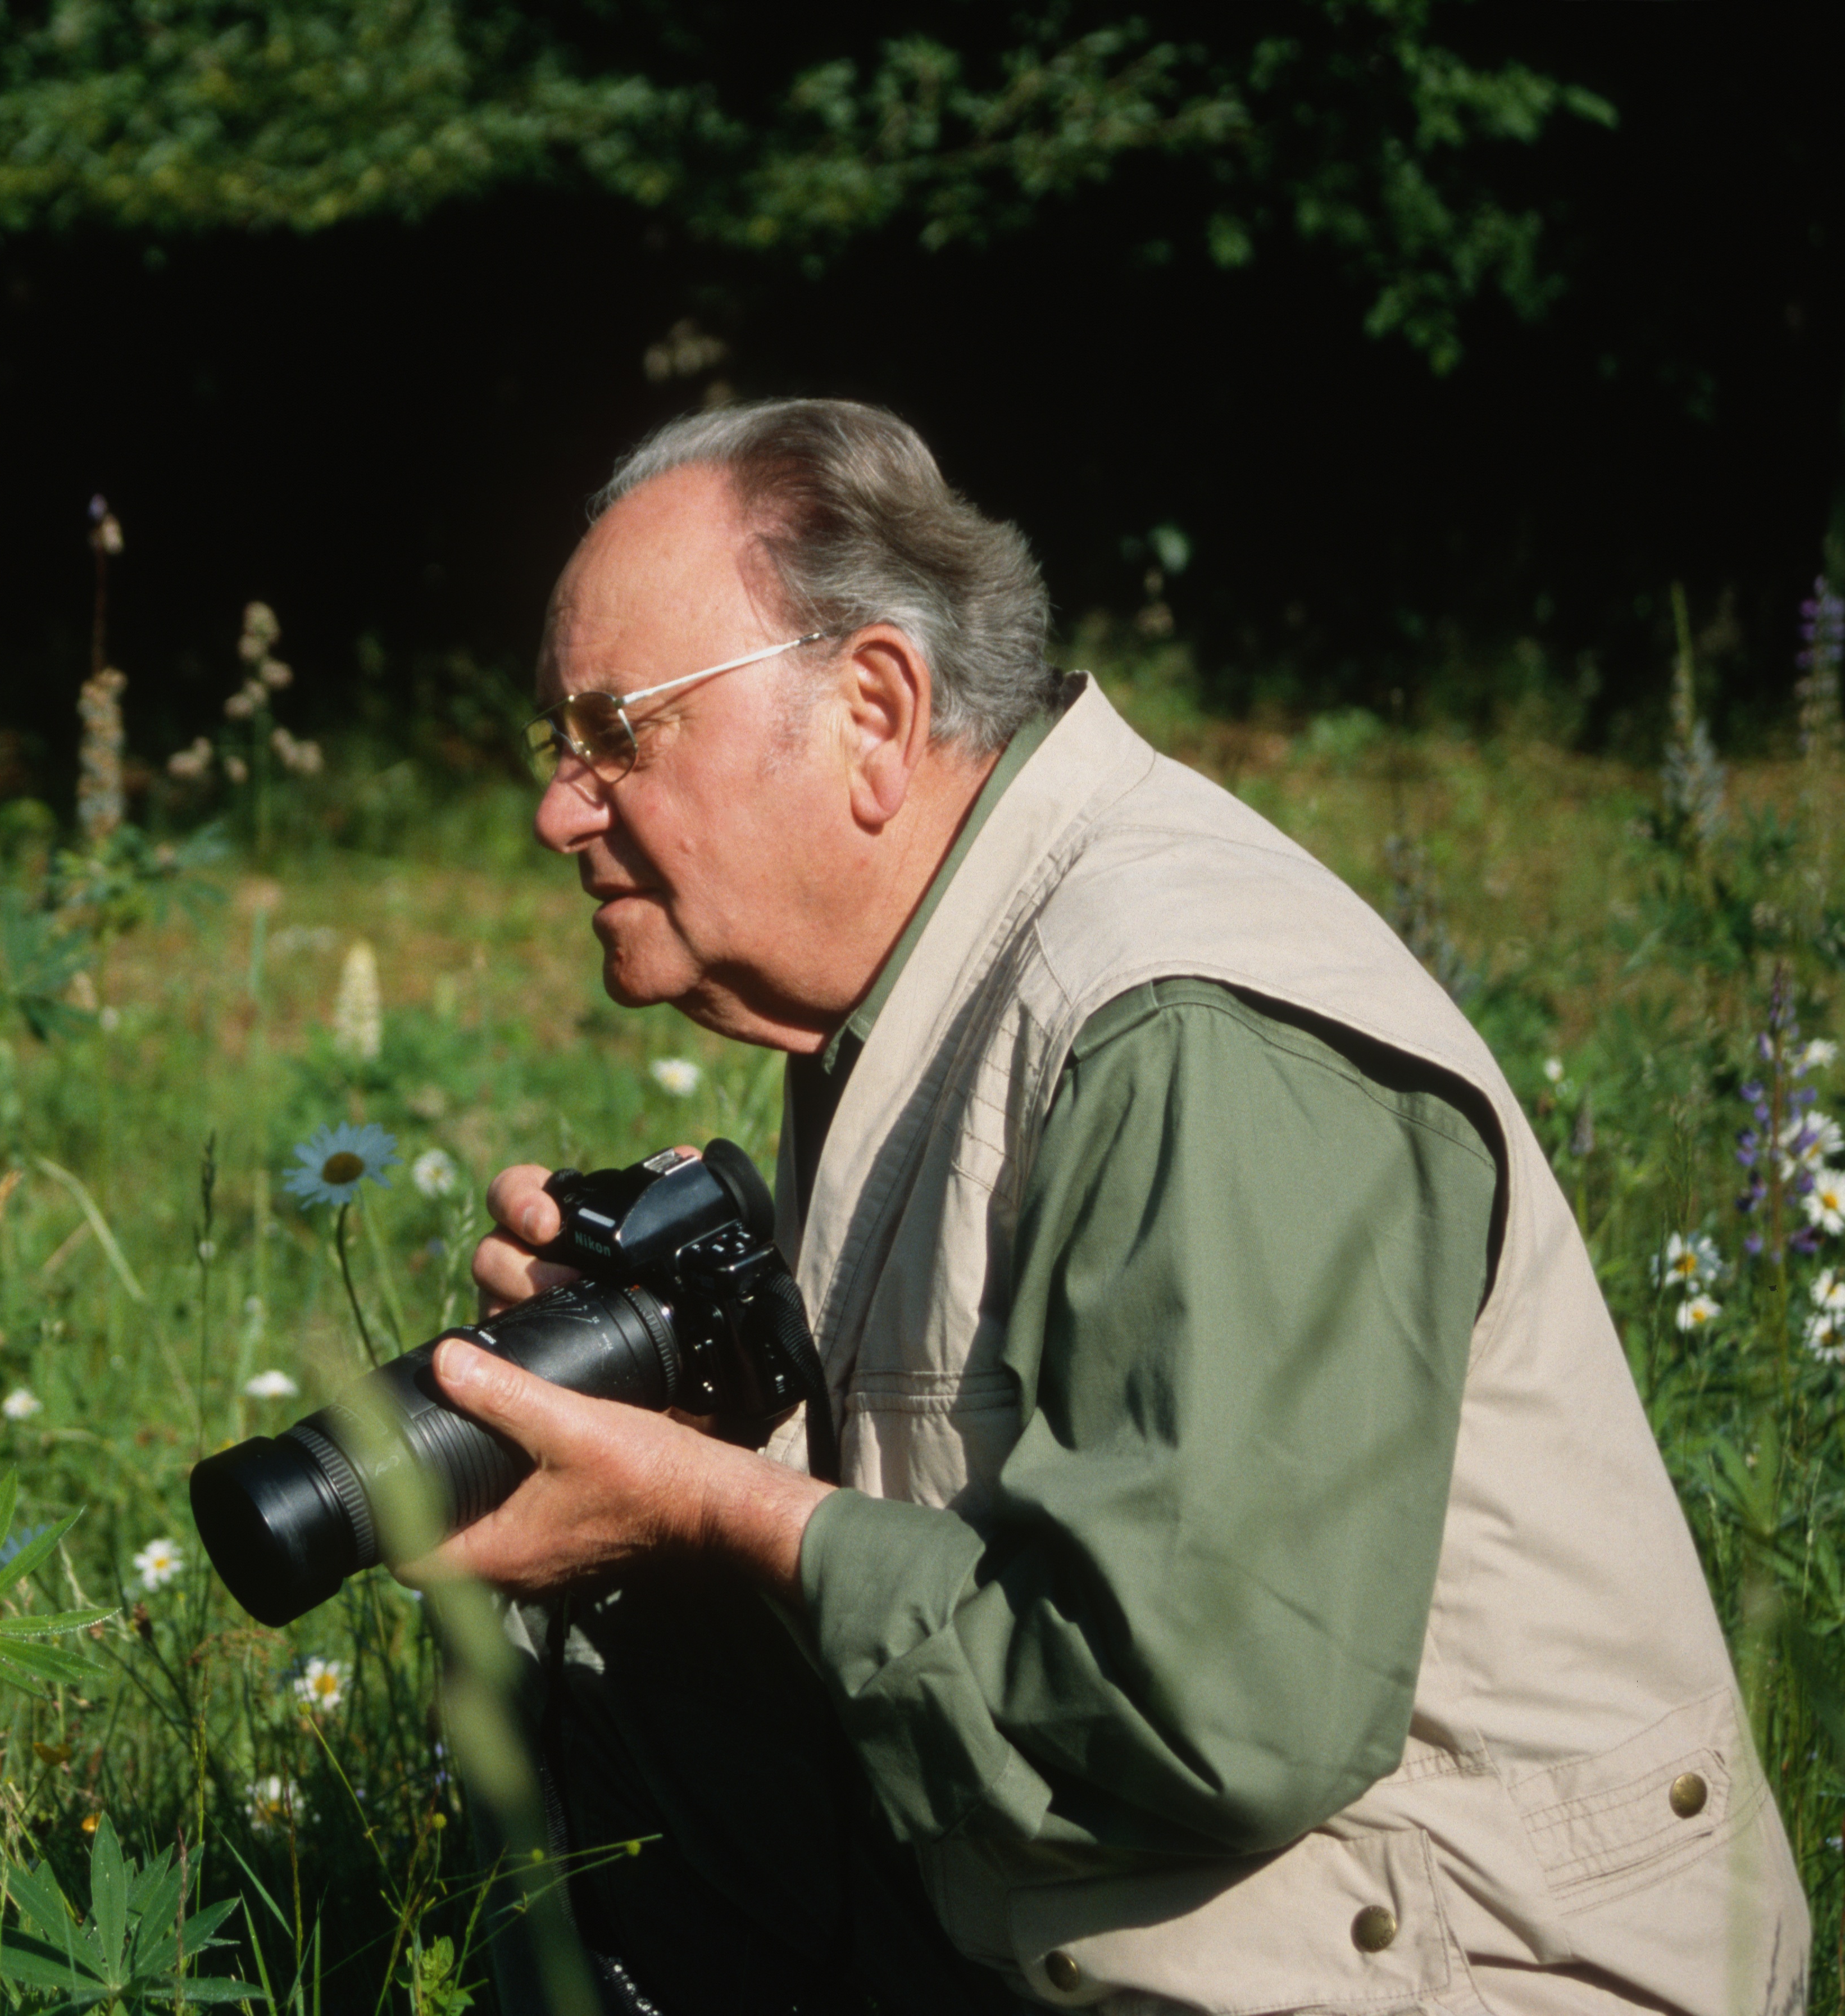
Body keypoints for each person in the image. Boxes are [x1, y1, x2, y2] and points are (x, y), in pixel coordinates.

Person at [414, 399, 1807, 2012]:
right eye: (555, 744)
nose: (556, 808)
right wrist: (681, 1406)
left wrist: (704, 1506)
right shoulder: (922, 980)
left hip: (1474, 1967)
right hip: (1204, 1930)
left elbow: (1199, 1707)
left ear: (871, 706)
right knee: (594, 1622)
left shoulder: (1186, 1030)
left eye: (614, 732)